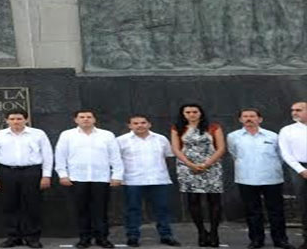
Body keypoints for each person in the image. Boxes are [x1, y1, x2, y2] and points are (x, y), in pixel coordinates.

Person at [55, 110, 123, 249]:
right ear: (76, 120)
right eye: (82, 117)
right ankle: (84, 239)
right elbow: (60, 156)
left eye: (89, 117)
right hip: (77, 178)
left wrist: (117, 175)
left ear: (94, 119)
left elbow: (115, 157)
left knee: (101, 210)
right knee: (81, 210)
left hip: (101, 178)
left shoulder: (107, 135)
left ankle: (102, 238)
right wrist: (62, 174)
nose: (85, 119)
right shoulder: (67, 135)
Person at [228, 108, 294, 249]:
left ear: (260, 119)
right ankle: (256, 240)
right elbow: (234, 154)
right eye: (245, 116)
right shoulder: (233, 137)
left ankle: (280, 240)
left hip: (271, 178)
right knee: (252, 211)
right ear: (240, 119)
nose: (249, 119)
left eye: (252, 116)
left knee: (276, 211)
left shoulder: (273, 136)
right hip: (246, 178)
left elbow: (282, 156)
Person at [0, 110, 53, 248]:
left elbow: (47, 155)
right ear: (7, 120)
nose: (16, 122)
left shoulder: (38, 134)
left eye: (19, 119)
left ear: (26, 120)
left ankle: (32, 238)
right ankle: (13, 237)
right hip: (7, 172)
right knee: (9, 205)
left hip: (32, 172)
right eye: (12, 119)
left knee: (32, 205)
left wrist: (46, 175)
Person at [117, 114, 180, 247]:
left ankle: (166, 235)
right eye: (135, 123)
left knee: (162, 209)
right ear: (129, 126)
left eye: (143, 122)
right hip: (133, 180)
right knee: (133, 209)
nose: (140, 125)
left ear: (149, 124)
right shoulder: (121, 140)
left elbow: (168, 156)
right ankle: (133, 236)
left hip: (158, 179)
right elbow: (116, 160)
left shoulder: (161, 139)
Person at [170, 103, 225, 247]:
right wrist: (190, 164)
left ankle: (214, 233)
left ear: (201, 113)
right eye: (188, 112)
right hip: (187, 168)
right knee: (193, 201)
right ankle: (201, 232)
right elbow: (176, 149)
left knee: (214, 200)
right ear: (183, 114)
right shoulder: (178, 128)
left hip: (212, 167)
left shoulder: (213, 127)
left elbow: (221, 148)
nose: (191, 114)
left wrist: (206, 164)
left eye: (195, 112)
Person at [278, 101, 307, 249]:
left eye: (298, 110)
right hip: (299, 169)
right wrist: (301, 170)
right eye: (293, 110)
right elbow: (286, 153)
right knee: (304, 205)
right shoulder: (287, 130)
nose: (294, 113)